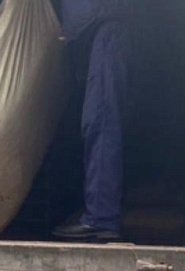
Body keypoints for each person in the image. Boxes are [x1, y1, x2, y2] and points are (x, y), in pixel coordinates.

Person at [52, 0, 131, 242]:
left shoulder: (109, 32)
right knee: (96, 120)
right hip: (93, 31)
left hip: (105, 27)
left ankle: (101, 219)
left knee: (101, 121)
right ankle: (99, 215)